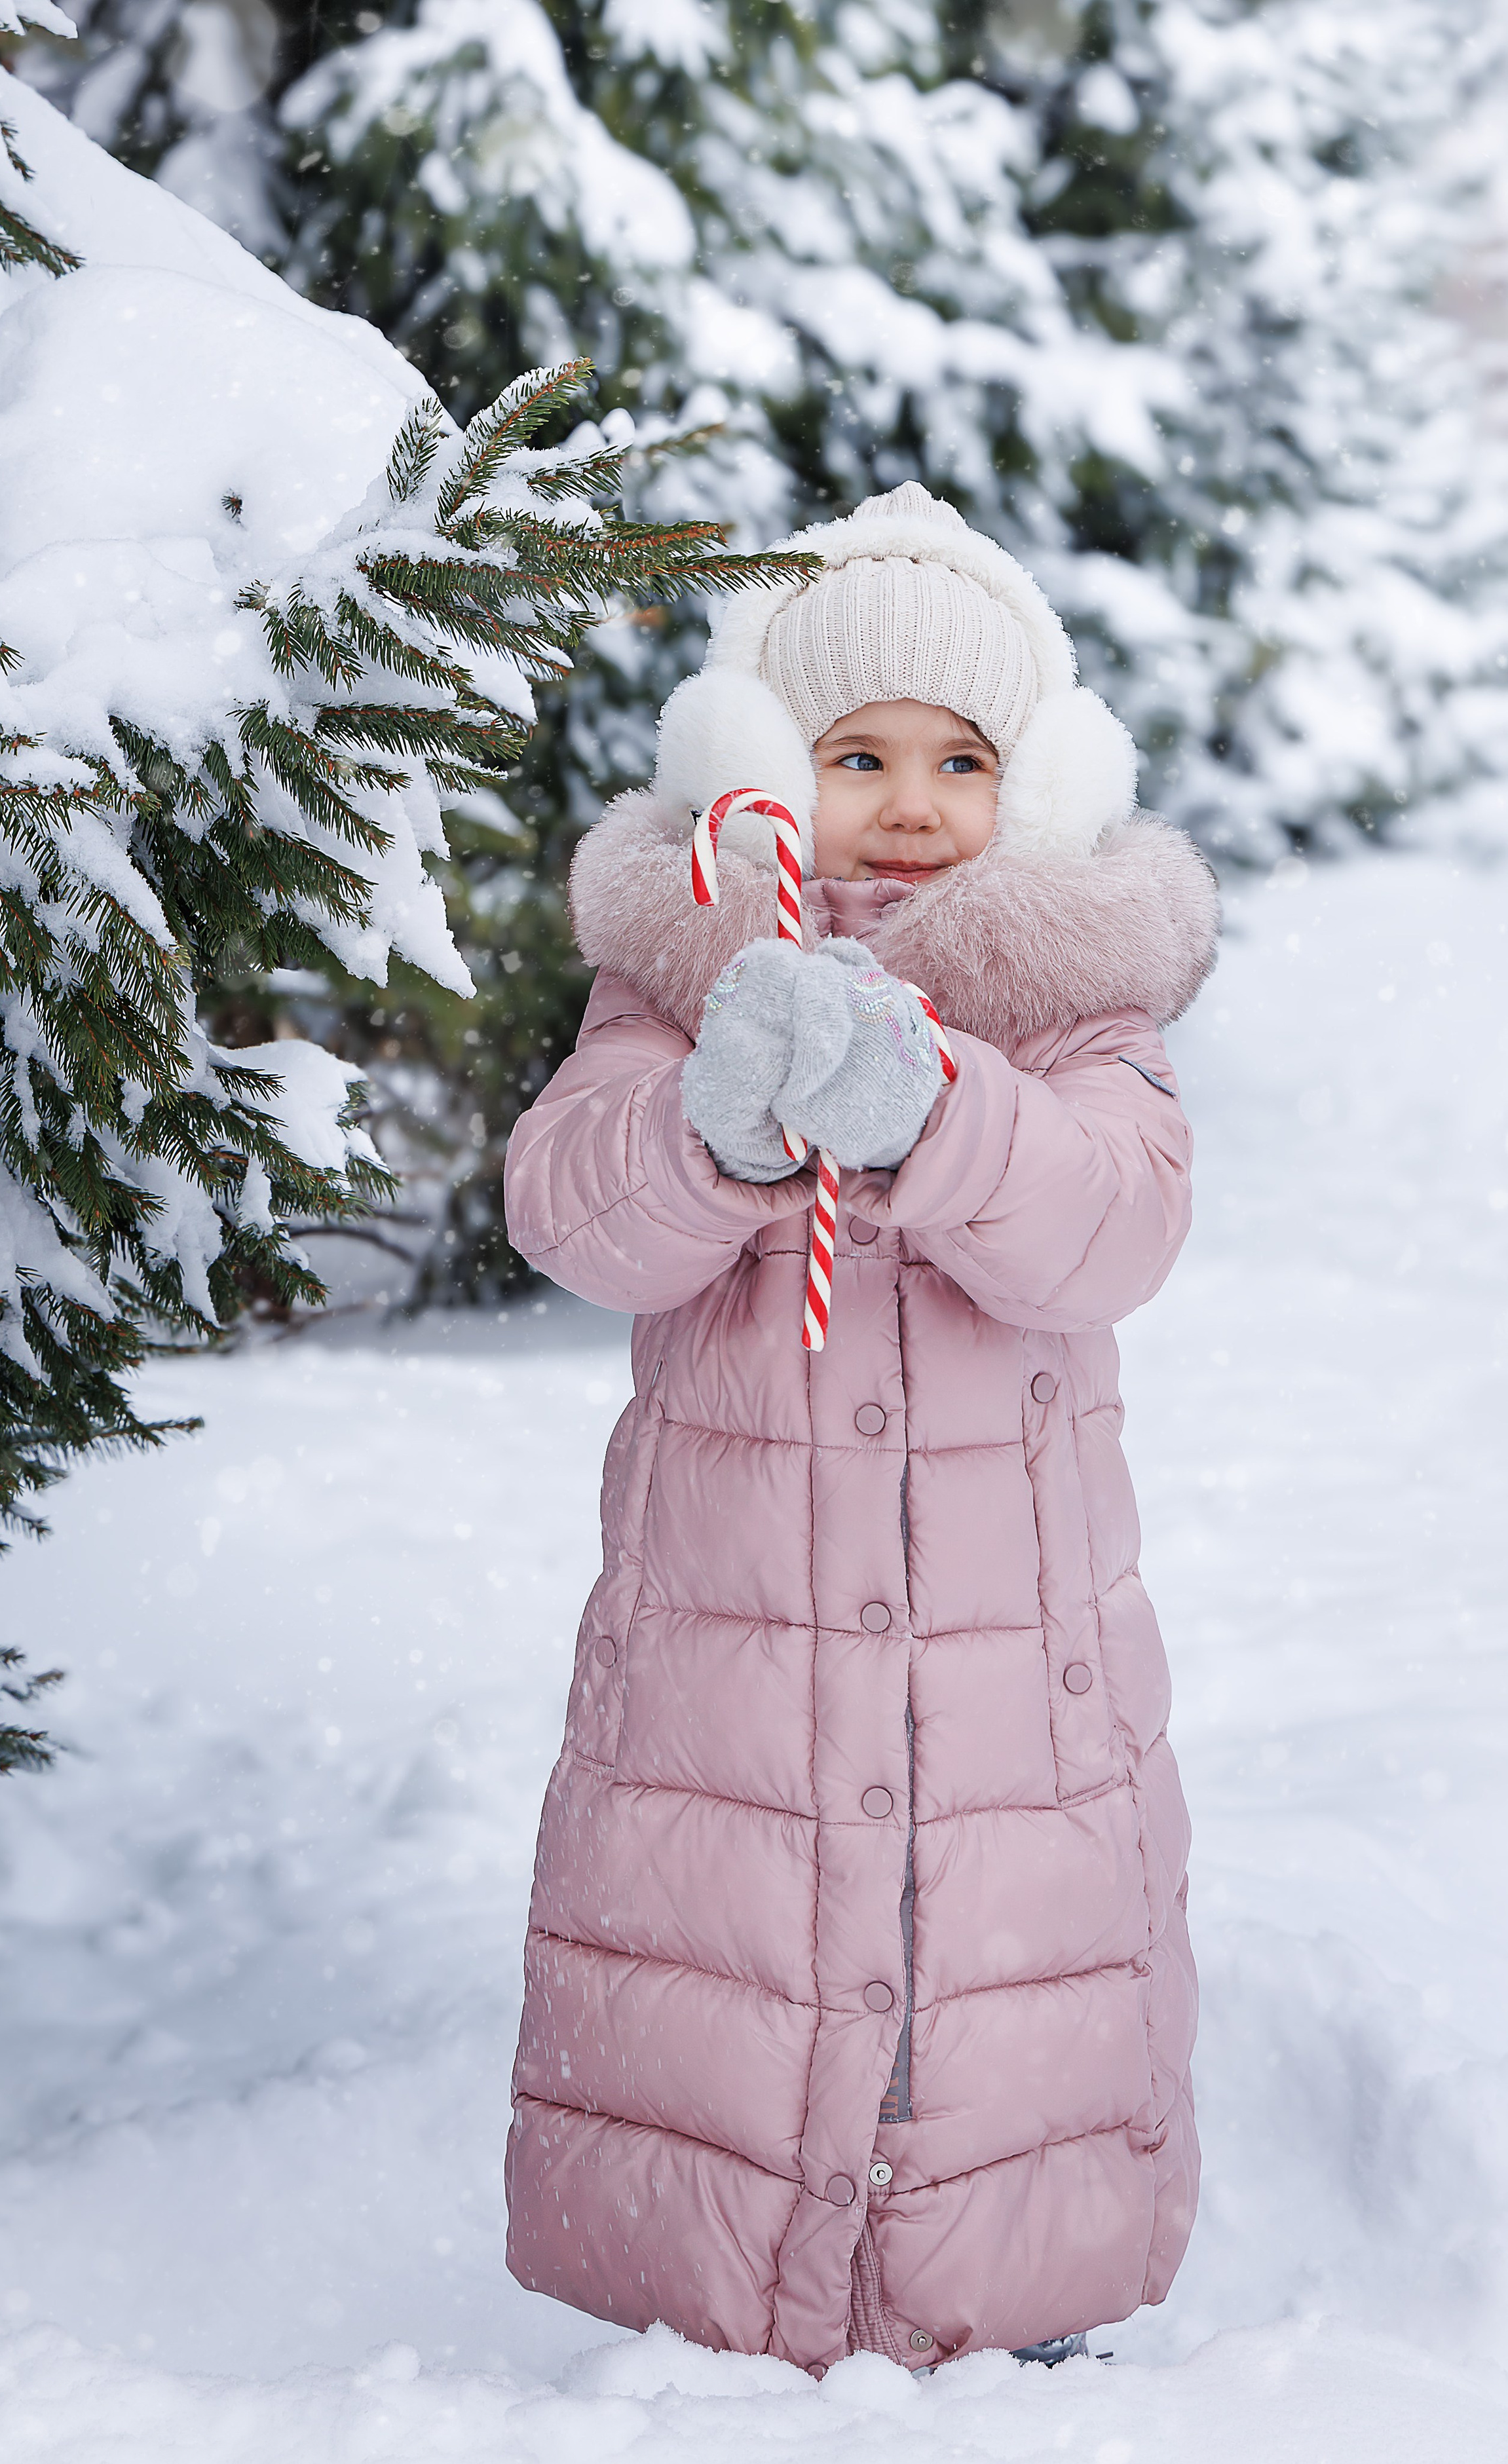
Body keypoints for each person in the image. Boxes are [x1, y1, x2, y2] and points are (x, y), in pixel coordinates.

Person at [500, 482, 1218, 2374]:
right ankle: (713, 2320)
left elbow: (1118, 1214)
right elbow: (570, 1207)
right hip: (733, 1680)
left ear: (1037, 780)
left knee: (994, 1970)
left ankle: (1010, 2301)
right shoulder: (684, 978)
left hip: (1011, 1688)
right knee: (739, 1949)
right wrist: (716, 1129)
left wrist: (941, 1112)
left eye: (963, 757)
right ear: (764, 765)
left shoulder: (1075, 1004)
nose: (911, 803)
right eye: (858, 754)